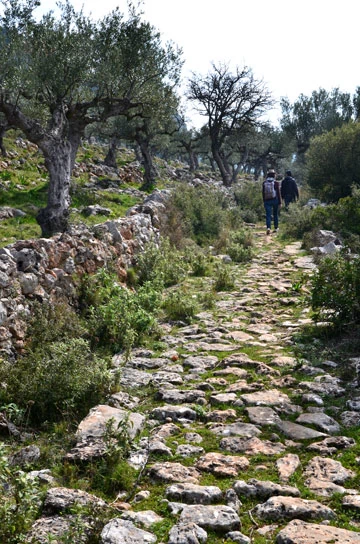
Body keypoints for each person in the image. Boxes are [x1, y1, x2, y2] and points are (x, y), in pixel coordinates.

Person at [262, 169, 281, 235]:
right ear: (274, 175)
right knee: (275, 214)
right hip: (275, 200)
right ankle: (276, 228)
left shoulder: (264, 183)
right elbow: (278, 193)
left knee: (268, 215)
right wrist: (280, 202)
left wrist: (264, 201)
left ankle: (268, 228)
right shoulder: (276, 183)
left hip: (267, 200)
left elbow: (263, 193)